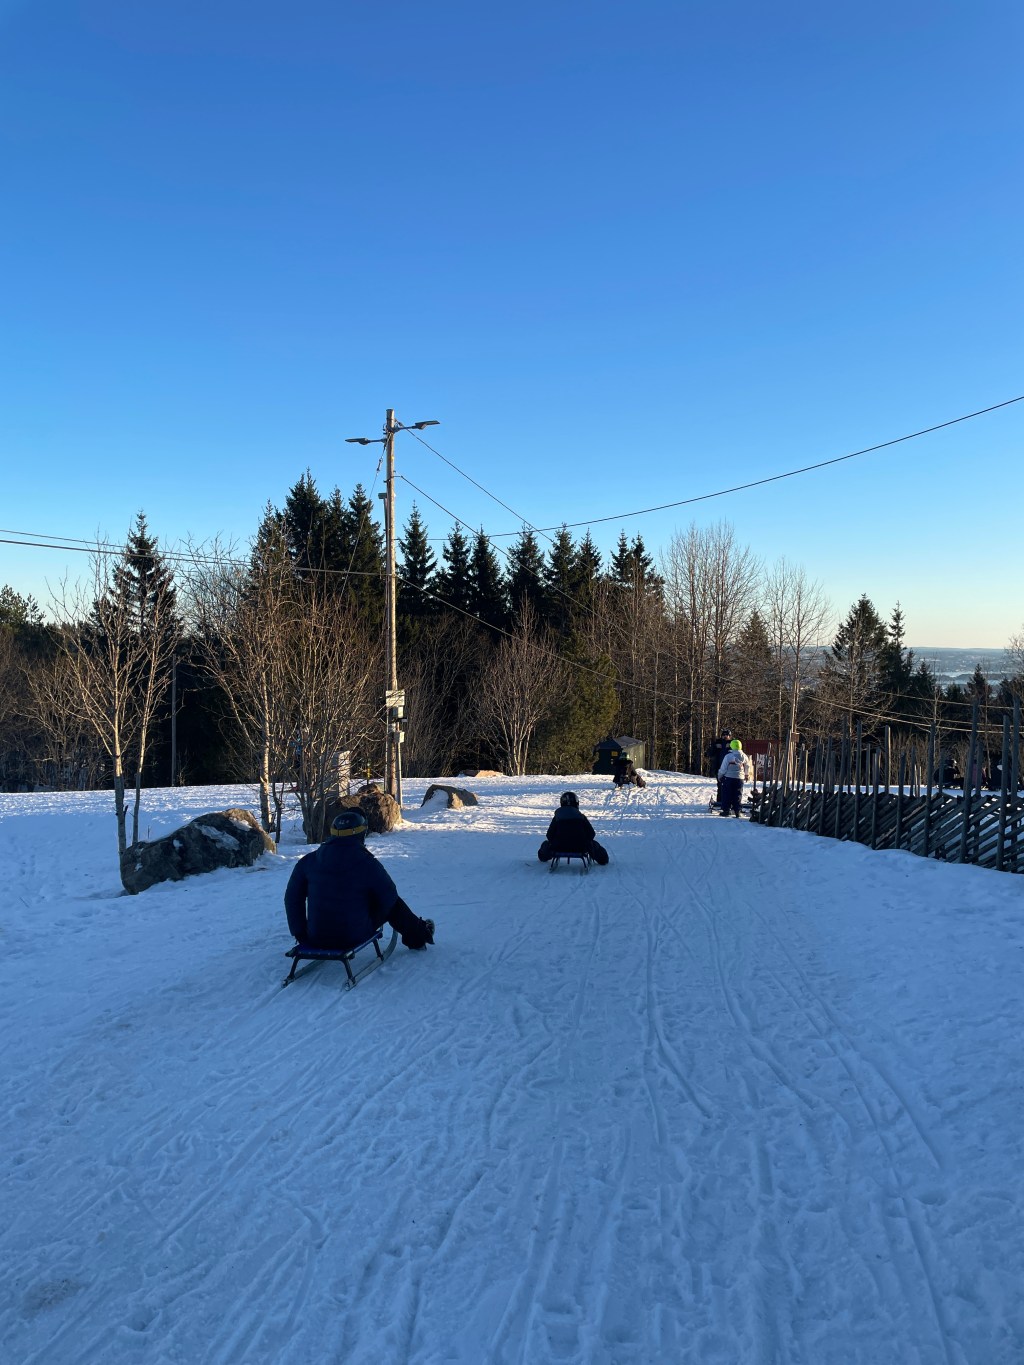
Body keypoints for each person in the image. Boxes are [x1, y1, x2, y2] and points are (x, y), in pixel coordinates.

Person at [285, 809, 435, 951]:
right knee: (393, 902)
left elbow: (292, 898)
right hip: (352, 936)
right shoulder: (366, 863)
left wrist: (300, 933)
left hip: (315, 936)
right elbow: (389, 896)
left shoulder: (308, 861)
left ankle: (418, 933)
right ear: (361, 834)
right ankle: (418, 937)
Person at [537, 791, 609, 865]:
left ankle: (543, 856)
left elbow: (549, 835)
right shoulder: (581, 817)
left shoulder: (557, 818)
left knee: (546, 844)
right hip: (581, 847)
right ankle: (603, 859)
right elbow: (591, 834)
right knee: (594, 844)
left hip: (558, 847)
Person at [718, 739, 753, 818]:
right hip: (739, 778)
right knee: (738, 794)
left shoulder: (728, 756)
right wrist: (746, 775)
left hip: (728, 778)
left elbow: (723, 768)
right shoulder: (744, 756)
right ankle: (737, 811)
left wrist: (720, 775)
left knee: (727, 794)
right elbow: (747, 766)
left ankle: (726, 810)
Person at [707, 728, 733, 805]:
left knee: (730, 786)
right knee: (720, 785)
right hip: (719, 768)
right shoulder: (718, 743)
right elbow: (709, 753)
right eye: (724, 735)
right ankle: (720, 802)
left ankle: (730, 801)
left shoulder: (732, 743)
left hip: (730, 769)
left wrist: (730, 747)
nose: (725, 736)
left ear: (730, 736)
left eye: (727, 735)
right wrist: (714, 747)